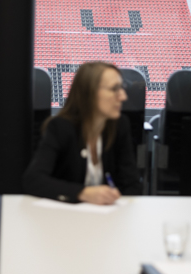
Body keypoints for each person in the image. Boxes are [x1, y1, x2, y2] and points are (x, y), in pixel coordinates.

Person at [23, 61, 141, 204]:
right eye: (114, 89)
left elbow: (132, 184)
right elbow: (33, 180)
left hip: (107, 218)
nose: (123, 96)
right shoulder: (60, 128)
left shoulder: (120, 125)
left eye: (122, 88)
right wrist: (82, 193)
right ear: (90, 92)